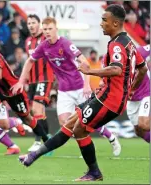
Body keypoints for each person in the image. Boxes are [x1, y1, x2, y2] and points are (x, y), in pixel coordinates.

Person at [15, 5, 147, 181]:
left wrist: (90, 71)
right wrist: (129, 90)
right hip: (104, 96)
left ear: (115, 23)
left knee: (77, 129)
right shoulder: (128, 42)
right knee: (70, 124)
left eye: (104, 20)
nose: (101, 24)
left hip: (109, 100)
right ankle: (34, 156)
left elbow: (116, 69)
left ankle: (93, 172)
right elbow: (143, 68)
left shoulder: (117, 45)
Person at [13, 16, 121, 156]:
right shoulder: (43, 46)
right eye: (45, 29)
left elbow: (85, 63)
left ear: (56, 29)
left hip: (79, 88)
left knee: (88, 120)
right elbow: (29, 61)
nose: (47, 32)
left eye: (50, 29)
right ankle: (85, 147)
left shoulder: (65, 44)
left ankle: (111, 137)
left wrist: (86, 85)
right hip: (64, 91)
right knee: (66, 123)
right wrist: (21, 81)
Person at [25, 14, 54, 152]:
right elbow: (29, 62)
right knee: (38, 112)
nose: (31, 25)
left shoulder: (46, 38)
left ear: (39, 24)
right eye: (28, 23)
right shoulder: (28, 41)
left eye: (33, 22)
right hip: (32, 81)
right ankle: (49, 142)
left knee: (36, 109)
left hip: (45, 78)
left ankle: (38, 142)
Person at [127, 45, 150, 143]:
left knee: (143, 124)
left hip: (146, 93)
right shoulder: (113, 62)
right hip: (132, 99)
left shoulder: (140, 52)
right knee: (138, 131)